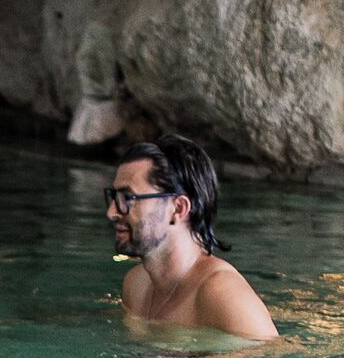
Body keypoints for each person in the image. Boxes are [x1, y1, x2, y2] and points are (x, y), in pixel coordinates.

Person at [106, 134, 278, 341]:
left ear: (178, 208)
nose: (112, 211)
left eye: (128, 198)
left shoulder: (222, 292)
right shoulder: (136, 284)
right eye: (114, 197)